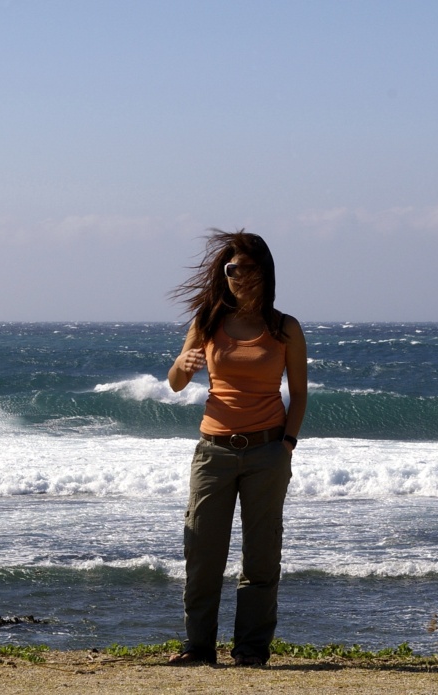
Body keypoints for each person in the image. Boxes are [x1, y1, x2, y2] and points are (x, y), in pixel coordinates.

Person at [166, 230, 308, 667]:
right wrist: (182, 365)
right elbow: (175, 383)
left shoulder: (284, 328)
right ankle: (198, 647)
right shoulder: (207, 321)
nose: (240, 277)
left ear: (265, 272)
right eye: (232, 270)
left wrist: (286, 445)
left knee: (261, 556)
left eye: (249, 269)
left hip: (267, 451)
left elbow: (299, 395)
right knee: (202, 552)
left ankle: (251, 649)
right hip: (214, 452)